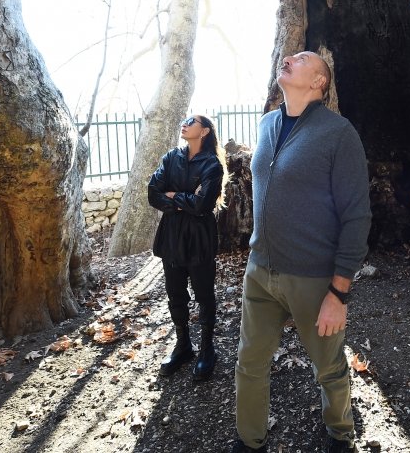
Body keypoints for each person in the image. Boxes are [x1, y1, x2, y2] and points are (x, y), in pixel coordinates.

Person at [231, 52, 372, 453]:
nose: (289, 57)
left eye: (303, 58)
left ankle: (341, 435)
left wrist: (338, 293)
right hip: (259, 272)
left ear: (319, 83)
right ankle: (248, 440)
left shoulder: (338, 133)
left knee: (328, 367)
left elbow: (357, 217)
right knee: (249, 363)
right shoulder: (267, 124)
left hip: (313, 278)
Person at [148, 114, 228, 381]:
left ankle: (207, 350)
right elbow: (153, 193)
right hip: (172, 235)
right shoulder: (171, 157)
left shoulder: (212, 165)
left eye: (191, 121)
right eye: (183, 120)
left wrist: (173, 195)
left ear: (204, 131)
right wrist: (186, 199)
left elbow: (204, 204)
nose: (184, 122)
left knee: (204, 296)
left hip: (199, 237)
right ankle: (183, 345)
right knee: (175, 294)